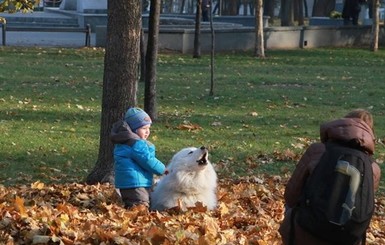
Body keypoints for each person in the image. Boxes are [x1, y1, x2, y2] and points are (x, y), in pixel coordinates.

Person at [279, 109, 381, 245]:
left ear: (342, 125)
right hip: (346, 238)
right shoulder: (373, 168)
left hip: (307, 233)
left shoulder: (317, 151)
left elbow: (291, 197)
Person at [110, 107, 166, 209]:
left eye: (149, 128)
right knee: (140, 206)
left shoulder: (126, 141)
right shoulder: (136, 144)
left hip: (131, 182)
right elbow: (147, 160)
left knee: (141, 203)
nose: (147, 132)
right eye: (144, 128)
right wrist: (164, 170)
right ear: (134, 129)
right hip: (135, 183)